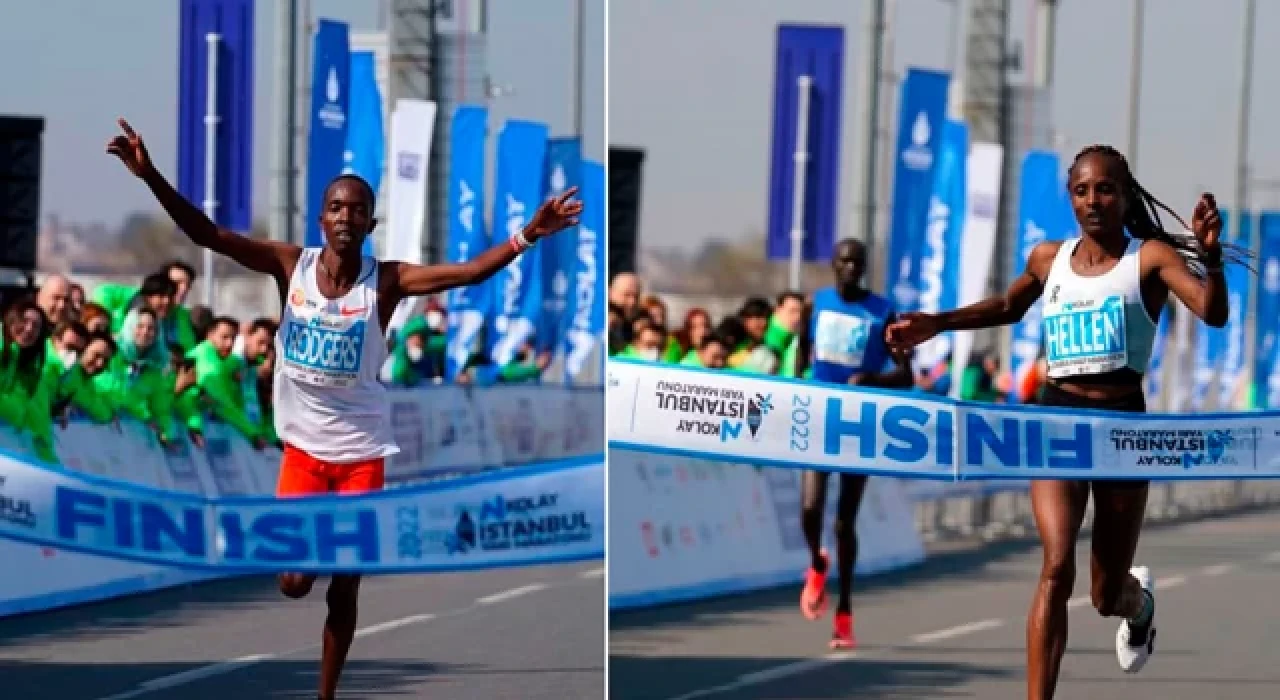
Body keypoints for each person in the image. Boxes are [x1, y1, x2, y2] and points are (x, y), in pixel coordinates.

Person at [107, 117, 581, 700]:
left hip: (361, 455)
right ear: (321, 218)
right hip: (303, 451)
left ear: (370, 223)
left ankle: (325, 696)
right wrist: (149, 174)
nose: (345, 218)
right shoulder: (291, 266)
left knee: (344, 587)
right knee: (292, 581)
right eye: (336, 207)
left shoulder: (387, 282)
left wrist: (528, 234)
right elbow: (207, 234)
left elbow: (467, 273)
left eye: (357, 210)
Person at [886, 145, 1237, 698]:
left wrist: (1211, 261)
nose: (1093, 200)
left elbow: (1213, 314)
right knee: (1055, 567)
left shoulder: (1149, 259)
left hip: (1122, 426)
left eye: (1104, 190)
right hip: (1056, 418)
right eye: (1081, 190)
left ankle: (1137, 603)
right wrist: (937, 322)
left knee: (1103, 595)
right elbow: (1006, 305)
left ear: (1123, 195)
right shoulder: (1049, 258)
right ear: (1070, 198)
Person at [794, 238, 913, 650]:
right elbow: (798, 364)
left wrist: (872, 380)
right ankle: (815, 562)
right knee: (810, 509)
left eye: (857, 262)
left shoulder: (883, 312)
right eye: (843, 260)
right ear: (832, 264)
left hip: (860, 426)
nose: (849, 267)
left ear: (864, 267)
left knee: (845, 521)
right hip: (818, 418)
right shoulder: (817, 304)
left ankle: (844, 611)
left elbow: (906, 376)